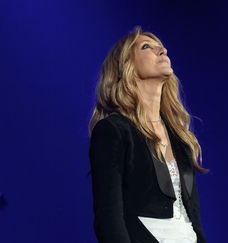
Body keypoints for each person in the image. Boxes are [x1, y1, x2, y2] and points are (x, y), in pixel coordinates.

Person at [89, 26, 209, 243]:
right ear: (127, 67)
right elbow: (109, 218)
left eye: (161, 47)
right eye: (147, 47)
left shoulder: (180, 137)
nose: (162, 50)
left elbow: (194, 217)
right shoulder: (113, 130)